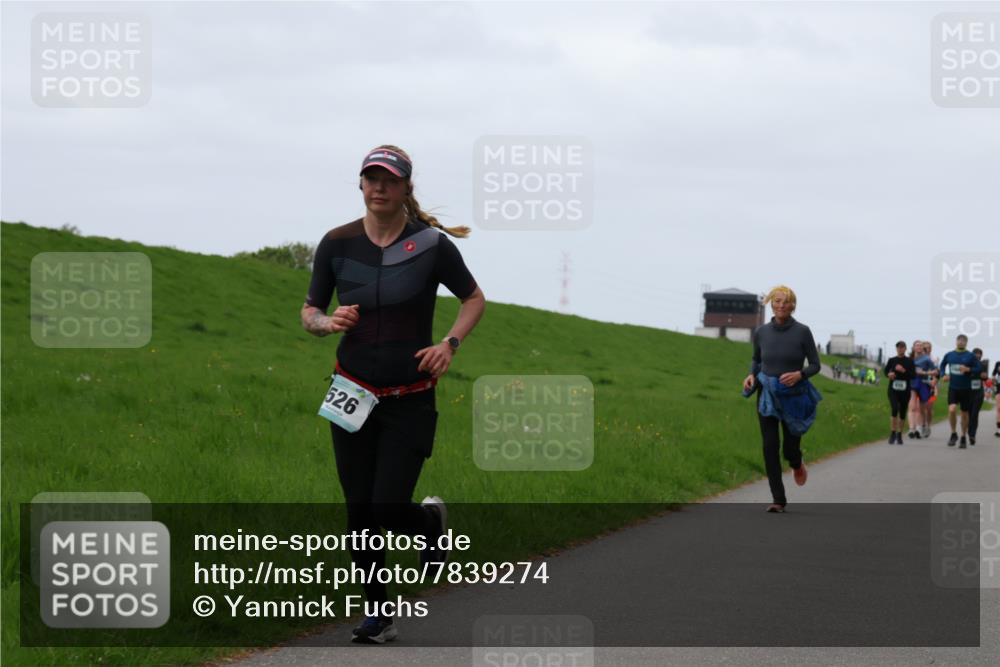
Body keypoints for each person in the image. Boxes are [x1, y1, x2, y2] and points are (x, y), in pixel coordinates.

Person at [301, 145, 486, 644]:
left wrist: (449, 344)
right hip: (350, 392)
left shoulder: (431, 246)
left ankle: (428, 522)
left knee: (387, 508)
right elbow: (310, 310)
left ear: (406, 187)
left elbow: (473, 298)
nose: (379, 187)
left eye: (389, 179)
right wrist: (325, 322)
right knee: (359, 510)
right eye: (371, 178)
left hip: (409, 394)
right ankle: (378, 613)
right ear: (360, 185)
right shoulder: (336, 244)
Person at [743, 285, 822, 513]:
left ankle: (796, 462)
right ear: (771, 303)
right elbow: (756, 360)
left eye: (785, 302)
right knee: (769, 447)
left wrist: (800, 374)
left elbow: (815, 364)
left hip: (793, 397)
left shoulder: (802, 332)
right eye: (776, 301)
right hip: (766, 395)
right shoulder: (761, 332)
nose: (780, 305)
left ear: (792, 305)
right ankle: (778, 499)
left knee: (789, 448)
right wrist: (751, 375)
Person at [939, 334, 982, 449]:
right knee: (952, 409)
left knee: (964, 414)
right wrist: (943, 374)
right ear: (956, 341)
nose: (961, 342)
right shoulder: (949, 355)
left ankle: (963, 436)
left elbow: (979, 368)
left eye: (963, 341)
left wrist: (969, 369)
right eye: (959, 340)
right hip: (953, 388)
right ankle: (953, 434)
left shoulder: (971, 356)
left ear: (966, 343)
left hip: (966, 389)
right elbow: (942, 365)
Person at [884, 341, 916, 444]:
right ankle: (893, 432)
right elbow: (885, 372)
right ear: (896, 349)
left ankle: (899, 434)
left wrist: (903, 371)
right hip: (893, 389)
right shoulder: (892, 360)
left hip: (905, 390)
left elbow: (913, 376)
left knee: (902, 412)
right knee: (894, 408)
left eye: (902, 347)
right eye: (898, 347)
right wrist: (889, 374)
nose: (900, 349)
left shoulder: (909, 361)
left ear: (905, 349)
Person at [967, 349, 988, 445]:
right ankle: (968, 430)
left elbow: (985, 377)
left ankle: (972, 435)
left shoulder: (983, 364)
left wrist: (982, 375)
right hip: (967, 392)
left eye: (979, 354)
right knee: (968, 414)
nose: (977, 355)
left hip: (978, 392)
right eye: (975, 353)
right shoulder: (967, 364)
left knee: (975, 414)